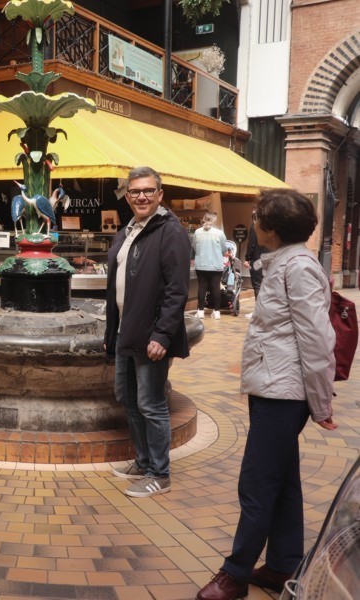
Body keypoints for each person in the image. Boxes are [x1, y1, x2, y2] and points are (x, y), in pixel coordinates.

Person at [195, 189, 337, 600]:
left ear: (271, 228)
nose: (253, 222)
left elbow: (317, 341)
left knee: (257, 483)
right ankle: (282, 565)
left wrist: (321, 404)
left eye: (257, 217)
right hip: (274, 388)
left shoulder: (298, 268)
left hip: (284, 395)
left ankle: (235, 574)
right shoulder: (285, 263)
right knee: (283, 479)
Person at [104, 166, 191, 498]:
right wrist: (112, 332)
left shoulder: (170, 231)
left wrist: (162, 335)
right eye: (135, 191)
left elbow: (176, 290)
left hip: (151, 335)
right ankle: (143, 462)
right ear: (127, 196)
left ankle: (160, 473)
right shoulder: (128, 230)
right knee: (128, 399)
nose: (141, 196)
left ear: (160, 194)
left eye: (148, 191)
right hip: (126, 331)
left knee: (151, 404)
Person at [192, 212, 228, 320]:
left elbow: (194, 246)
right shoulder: (219, 233)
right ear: (214, 220)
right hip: (216, 264)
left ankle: (200, 311)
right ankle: (216, 312)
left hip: (201, 264)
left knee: (202, 287)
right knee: (216, 287)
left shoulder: (197, 232)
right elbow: (224, 249)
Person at [242, 206, 268, 318]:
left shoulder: (255, 226)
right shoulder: (269, 226)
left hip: (257, 259)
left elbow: (252, 244)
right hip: (268, 259)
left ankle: (257, 311)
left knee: (257, 285)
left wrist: (247, 258)